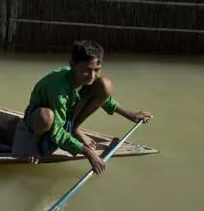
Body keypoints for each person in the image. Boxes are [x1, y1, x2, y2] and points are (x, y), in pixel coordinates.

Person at [13, 40, 152, 173]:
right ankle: (34, 141)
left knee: (105, 85)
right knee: (46, 117)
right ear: (72, 65)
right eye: (87, 70)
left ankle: (74, 128)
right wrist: (88, 152)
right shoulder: (58, 87)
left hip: (67, 115)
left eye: (97, 70)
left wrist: (131, 115)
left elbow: (105, 99)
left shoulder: (86, 79)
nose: (92, 76)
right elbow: (56, 131)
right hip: (39, 120)